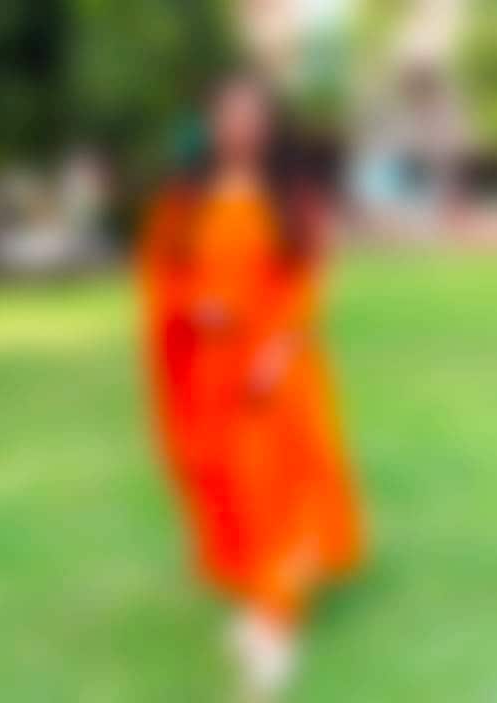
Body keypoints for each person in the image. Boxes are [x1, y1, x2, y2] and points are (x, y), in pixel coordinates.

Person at [136, 74, 362, 700]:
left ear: (268, 123)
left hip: (275, 366)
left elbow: (308, 279)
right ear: (212, 122)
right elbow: (165, 274)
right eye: (229, 114)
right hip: (211, 367)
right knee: (227, 481)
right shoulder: (185, 199)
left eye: (252, 114)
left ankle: (273, 629)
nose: (240, 125)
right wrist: (193, 307)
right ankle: (259, 596)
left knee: (275, 486)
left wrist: (280, 348)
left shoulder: (292, 193)